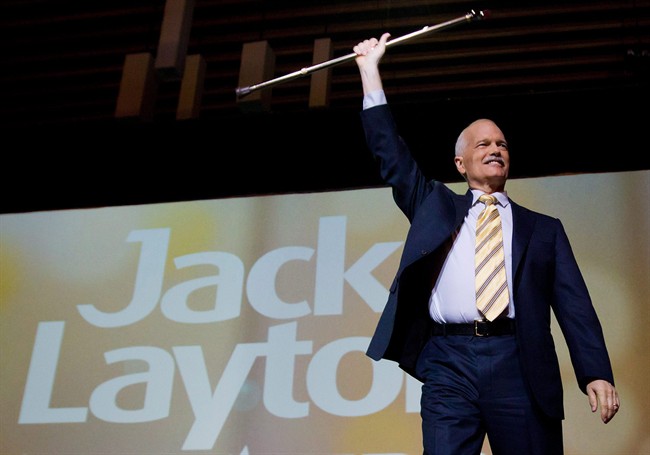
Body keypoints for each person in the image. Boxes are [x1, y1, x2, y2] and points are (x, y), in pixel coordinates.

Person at [352, 32, 620, 455]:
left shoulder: (544, 230)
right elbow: (391, 154)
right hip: (449, 362)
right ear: (460, 163)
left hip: (520, 361)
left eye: (502, 144)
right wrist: (370, 71)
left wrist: (596, 373)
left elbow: (576, 308)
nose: (495, 148)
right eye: (483, 144)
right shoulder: (433, 204)